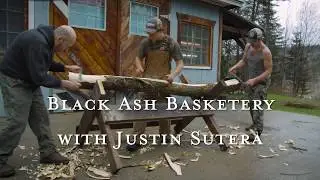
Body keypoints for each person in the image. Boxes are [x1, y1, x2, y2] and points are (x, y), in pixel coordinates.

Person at [0, 25, 81, 177]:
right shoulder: (37, 42)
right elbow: (39, 76)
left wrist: (65, 67)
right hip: (15, 80)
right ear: (60, 39)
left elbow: (44, 62)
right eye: (66, 46)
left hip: (29, 79)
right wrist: (63, 83)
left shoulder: (47, 40)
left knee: (41, 117)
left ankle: (48, 152)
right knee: (17, 122)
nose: (65, 50)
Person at [126, 17, 184, 152]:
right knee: (140, 109)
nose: (149, 36)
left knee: (164, 109)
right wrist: (139, 67)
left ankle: (165, 136)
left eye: (152, 33)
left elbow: (180, 63)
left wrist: (173, 75)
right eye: (148, 33)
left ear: (160, 30)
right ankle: (137, 139)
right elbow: (137, 58)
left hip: (164, 82)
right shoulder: (145, 43)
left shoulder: (171, 43)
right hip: (147, 82)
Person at [228, 28, 272, 139]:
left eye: (253, 41)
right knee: (251, 104)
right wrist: (235, 67)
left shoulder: (265, 52)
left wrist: (254, 80)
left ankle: (257, 131)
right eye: (250, 40)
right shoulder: (248, 47)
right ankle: (254, 123)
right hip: (250, 80)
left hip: (262, 81)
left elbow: (268, 71)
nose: (250, 43)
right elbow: (244, 61)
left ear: (259, 39)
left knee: (257, 105)